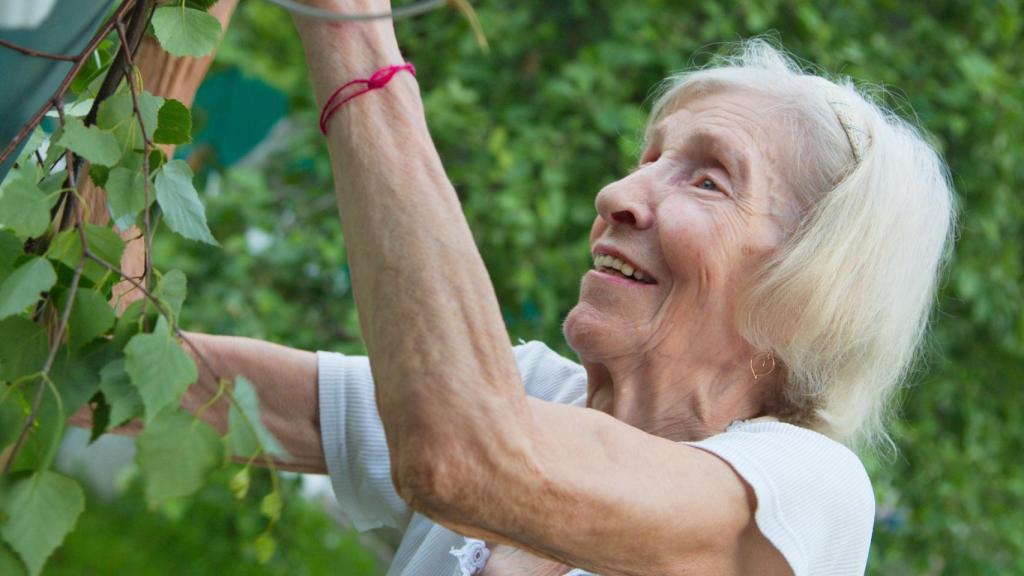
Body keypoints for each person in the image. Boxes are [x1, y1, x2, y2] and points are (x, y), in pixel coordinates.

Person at [160, 3, 956, 575]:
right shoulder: (532, 392)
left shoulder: (807, 496)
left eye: (708, 180)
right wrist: (171, 37)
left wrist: (351, 28)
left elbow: (465, 457)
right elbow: (129, 371)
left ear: (811, 285)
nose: (619, 192)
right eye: (647, 157)